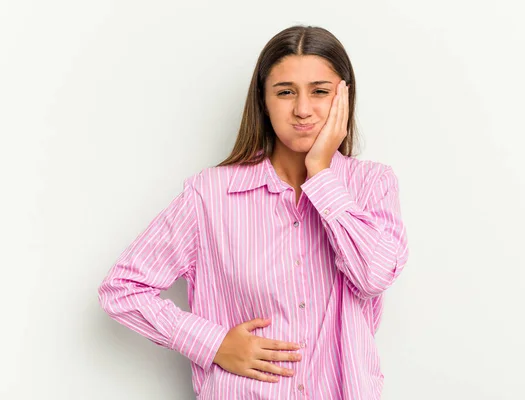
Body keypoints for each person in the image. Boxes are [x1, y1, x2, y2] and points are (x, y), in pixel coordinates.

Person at [98, 24, 409, 399]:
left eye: (320, 92)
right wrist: (214, 345)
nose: (303, 109)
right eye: (285, 92)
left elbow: (374, 276)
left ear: (344, 98)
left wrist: (322, 176)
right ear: (263, 100)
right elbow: (122, 290)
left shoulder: (372, 185)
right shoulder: (210, 195)